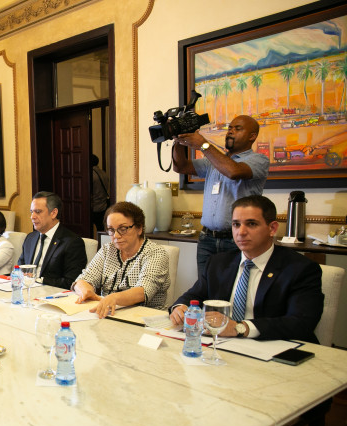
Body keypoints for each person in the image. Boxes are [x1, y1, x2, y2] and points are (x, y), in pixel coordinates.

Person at [170, 195, 323, 343]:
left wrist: (240, 328)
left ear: (272, 228)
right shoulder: (218, 262)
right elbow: (194, 295)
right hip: (222, 345)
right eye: (236, 224)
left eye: (251, 224)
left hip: (273, 348)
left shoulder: (300, 269)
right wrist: (180, 308)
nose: (241, 232)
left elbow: (301, 323)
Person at [172, 115, 269, 276]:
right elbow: (181, 166)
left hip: (237, 240)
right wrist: (178, 140)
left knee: (233, 287)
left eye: (237, 129)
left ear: (252, 136)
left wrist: (203, 145)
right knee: (205, 286)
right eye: (230, 128)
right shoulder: (213, 160)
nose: (230, 131)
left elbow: (234, 171)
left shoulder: (259, 160)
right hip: (207, 239)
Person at [72, 202, 170, 318]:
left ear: (139, 228)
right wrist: (85, 291)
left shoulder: (156, 253)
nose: (116, 236)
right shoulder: (108, 250)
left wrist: (113, 298)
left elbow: (143, 291)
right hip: (109, 315)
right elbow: (83, 279)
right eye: (111, 230)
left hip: (146, 319)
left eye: (123, 229)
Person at [17, 191, 86, 290]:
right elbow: (19, 269)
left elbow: (72, 281)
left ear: (53, 213)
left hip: (53, 295)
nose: (32, 217)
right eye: (32, 212)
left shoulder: (72, 242)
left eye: (38, 212)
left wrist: (38, 280)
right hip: (26, 291)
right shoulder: (30, 238)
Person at [90, 154, 110, 236]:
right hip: (103, 205)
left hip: (94, 206)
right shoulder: (103, 173)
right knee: (101, 229)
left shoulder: (90, 174)